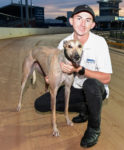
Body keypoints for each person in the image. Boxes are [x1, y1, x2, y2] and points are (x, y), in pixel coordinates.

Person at [34, 4, 112, 148]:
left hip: (95, 89)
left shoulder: (99, 43)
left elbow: (106, 78)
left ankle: (94, 128)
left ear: (93, 24)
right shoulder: (64, 43)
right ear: (71, 21)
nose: (83, 24)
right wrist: (50, 76)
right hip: (75, 88)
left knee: (91, 84)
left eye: (88, 20)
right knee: (41, 104)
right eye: (79, 18)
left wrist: (80, 70)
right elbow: (55, 70)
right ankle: (85, 108)